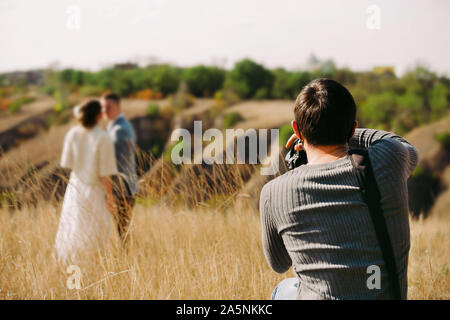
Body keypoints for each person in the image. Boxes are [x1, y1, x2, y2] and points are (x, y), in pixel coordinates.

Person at [260, 78, 418, 299]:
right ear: (353, 128)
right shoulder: (390, 159)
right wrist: (341, 130)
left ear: (297, 129)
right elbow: (402, 144)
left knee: (284, 288)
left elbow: (278, 263)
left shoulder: (274, 192)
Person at [54, 100, 118, 263]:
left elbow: (66, 162)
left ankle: (70, 265)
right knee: (95, 232)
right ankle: (92, 267)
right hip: (95, 191)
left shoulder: (72, 134)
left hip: (75, 188)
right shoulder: (103, 137)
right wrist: (110, 197)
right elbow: (105, 173)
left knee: (73, 228)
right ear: (98, 115)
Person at [101, 92, 139, 248]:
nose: (105, 111)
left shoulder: (119, 131)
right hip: (124, 187)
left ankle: (125, 262)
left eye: (108, 107)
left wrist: (109, 193)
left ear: (118, 107)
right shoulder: (118, 126)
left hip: (121, 188)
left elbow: (113, 165)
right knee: (122, 230)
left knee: (122, 231)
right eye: (103, 107)